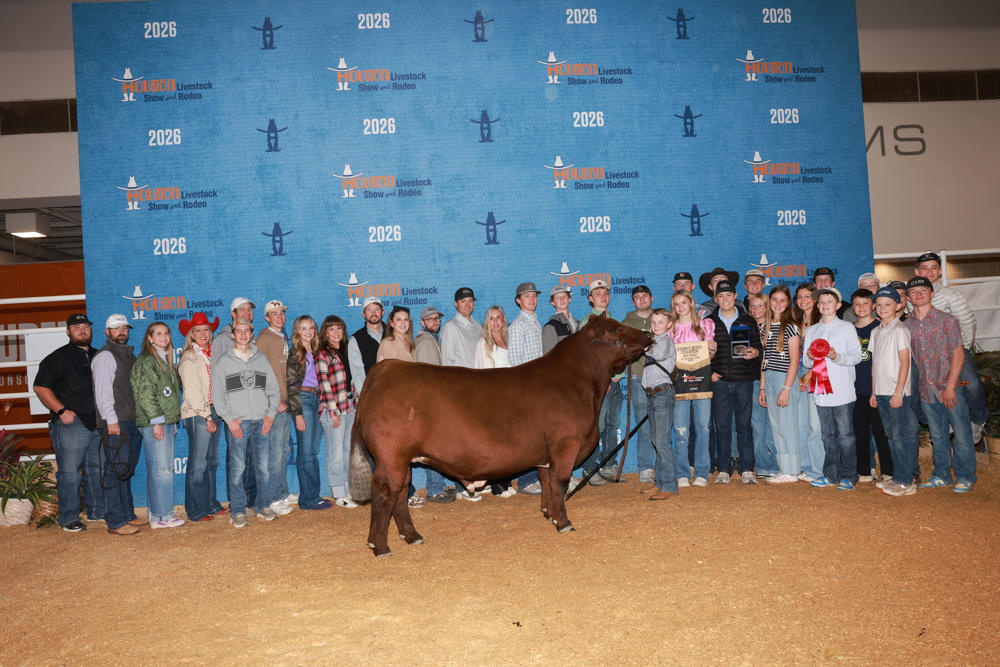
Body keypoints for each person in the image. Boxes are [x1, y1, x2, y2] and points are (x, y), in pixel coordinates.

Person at [34, 313, 104, 532]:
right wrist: (61, 410)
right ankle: (70, 517)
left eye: (85, 326)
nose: (82, 330)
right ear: (68, 331)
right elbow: (40, 387)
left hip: (96, 423)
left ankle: (96, 512)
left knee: (97, 469)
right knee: (70, 472)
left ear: (91, 330)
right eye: (76, 327)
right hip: (71, 424)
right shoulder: (57, 358)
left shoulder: (98, 355)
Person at [905, 276, 977, 492]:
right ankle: (942, 473)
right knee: (937, 435)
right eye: (914, 291)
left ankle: (965, 476)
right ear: (908, 297)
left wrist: (950, 386)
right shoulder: (907, 325)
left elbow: (958, 353)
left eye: (923, 290)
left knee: (962, 433)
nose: (918, 294)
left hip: (950, 386)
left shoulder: (947, 320)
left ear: (932, 293)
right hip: (926, 389)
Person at [913, 251, 987, 443]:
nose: (929, 272)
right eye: (924, 268)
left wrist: (963, 348)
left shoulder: (952, 296)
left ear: (939, 271)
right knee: (920, 388)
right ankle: (938, 423)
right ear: (916, 271)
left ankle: (978, 420)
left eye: (933, 268)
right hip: (928, 355)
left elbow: (968, 322)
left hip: (954, 350)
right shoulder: (914, 294)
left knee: (971, 384)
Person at [213, 318, 281, 527]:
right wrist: (229, 419)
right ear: (232, 334)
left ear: (252, 333)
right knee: (238, 468)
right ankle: (237, 510)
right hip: (238, 422)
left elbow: (274, 390)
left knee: (263, 467)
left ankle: (264, 505)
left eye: (247, 330)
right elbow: (217, 395)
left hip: (261, 420)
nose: (243, 334)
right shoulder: (224, 361)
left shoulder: (261, 359)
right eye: (238, 331)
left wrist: (270, 415)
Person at [802, 289, 863, 490]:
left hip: (842, 390)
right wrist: (811, 357)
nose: (825, 305)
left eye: (830, 301)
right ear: (817, 306)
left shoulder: (847, 328)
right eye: (821, 302)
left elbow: (857, 357)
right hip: (821, 392)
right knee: (827, 435)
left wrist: (837, 356)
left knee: (845, 435)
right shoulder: (811, 331)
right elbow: (806, 361)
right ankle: (830, 474)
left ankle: (849, 475)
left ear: (838, 305)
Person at [91, 314, 143, 535]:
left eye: (124, 328)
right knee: (115, 470)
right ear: (107, 332)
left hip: (130, 420)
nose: (122, 331)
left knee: (126, 470)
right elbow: (103, 392)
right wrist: (111, 420)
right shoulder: (105, 356)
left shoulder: (128, 356)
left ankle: (127, 514)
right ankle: (115, 520)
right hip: (116, 421)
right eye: (116, 328)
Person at [708, 281, 763, 484]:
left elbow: (758, 347)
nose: (724, 300)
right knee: (721, 426)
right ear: (715, 298)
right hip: (719, 381)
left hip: (743, 380)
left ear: (735, 296)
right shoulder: (708, 322)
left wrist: (755, 352)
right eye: (720, 296)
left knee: (744, 425)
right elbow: (702, 353)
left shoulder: (748, 320)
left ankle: (747, 468)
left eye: (728, 296)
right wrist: (709, 372)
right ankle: (723, 468)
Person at [131, 322, 184, 528]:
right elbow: (145, 394)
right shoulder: (147, 361)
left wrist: (170, 421)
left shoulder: (164, 360)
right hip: (155, 422)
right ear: (150, 338)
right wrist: (157, 422)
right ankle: (165, 514)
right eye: (158, 334)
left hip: (165, 421)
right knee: (162, 470)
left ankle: (156, 516)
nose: (164, 337)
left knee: (159, 469)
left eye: (166, 333)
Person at [177, 312, 227, 523]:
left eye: (206, 329)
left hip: (213, 411)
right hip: (199, 414)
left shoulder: (211, 355)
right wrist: (207, 417)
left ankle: (210, 503)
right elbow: (192, 391)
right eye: (198, 330)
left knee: (211, 461)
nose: (203, 333)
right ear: (191, 334)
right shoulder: (189, 358)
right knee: (198, 463)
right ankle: (196, 509)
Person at [869, 287, 919, 496]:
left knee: (900, 437)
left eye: (888, 304)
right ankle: (898, 477)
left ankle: (906, 481)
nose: (882, 308)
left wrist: (899, 392)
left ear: (899, 306)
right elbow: (874, 364)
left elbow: (905, 362)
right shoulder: (876, 331)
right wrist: (873, 392)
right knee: (891, 436)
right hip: (880, 392)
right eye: (879, 304)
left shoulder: (900, 330)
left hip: (895, 392)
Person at [212, 297, 258, 513]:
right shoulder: (222, 339)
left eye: (249, 309)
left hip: (252, 408)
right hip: (234, 408)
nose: (247, 312)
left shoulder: (252, 338)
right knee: (238, 459)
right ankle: (237, 503)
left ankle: (250, 501)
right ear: (232, 313)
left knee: (250, 457)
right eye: (242, 309)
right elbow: (218, 375)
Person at [668, 290, 717, 487]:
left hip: (702, 382)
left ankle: (702, 472)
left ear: (691, 304)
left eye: (684, 303)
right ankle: (682, 472)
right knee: (680, 429)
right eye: (676, 304)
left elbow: (710, 357)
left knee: (703, 428)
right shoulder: (670, 330)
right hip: (680, 384)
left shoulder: (705, 325)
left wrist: (712, 349)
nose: (680, 307)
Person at [440, 287, 484, 499]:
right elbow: (447, 362)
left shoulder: (477, 326)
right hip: (459, 392)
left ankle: (473, 481)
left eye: (470, 301)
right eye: (463, 301)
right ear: (456, 304)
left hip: (477, 391)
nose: (467, 304)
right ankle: (460, 486)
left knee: (474, 439)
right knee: (460, 441)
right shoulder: (450, 327)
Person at [580, 279, 624, 484]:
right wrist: (600, 380)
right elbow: (587, 355)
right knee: (597, 425)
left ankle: (608, 465)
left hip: (615, 381)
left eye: (605, 293)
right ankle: (590, 468)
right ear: (590, 298)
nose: (603, 296)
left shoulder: (611, 319)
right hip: (601, 383)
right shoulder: (589, 321)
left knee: (612, 424)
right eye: (598, 294)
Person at [286, 315, 331, 511]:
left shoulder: (318, 351)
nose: (308, 332)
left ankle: (310, 496)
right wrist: (297, 413)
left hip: (317, 399)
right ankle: (309, 499)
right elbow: (291, 384)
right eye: (303, 328)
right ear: (297, 331)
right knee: (306, 452)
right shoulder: (295, 353)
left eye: (311, 328)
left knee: (312, 451)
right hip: (303, 400)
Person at [759, 285, 802, 483]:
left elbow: (794, 361)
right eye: (774, 300)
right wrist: (762, 387)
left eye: (782, 300)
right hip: (770, 378)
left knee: (787, 425)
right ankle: (785, 468)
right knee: (776, 426)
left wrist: (786, 388)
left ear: (788, 303)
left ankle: (791, 470)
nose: (778, 304)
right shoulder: (766, 327)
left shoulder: (791, 327)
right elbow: (764, 359)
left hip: (785, 379)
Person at [316, 316, 360, 508]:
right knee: (335, 454)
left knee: (347, 450)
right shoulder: (323, 354)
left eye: (339, 328)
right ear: (325, 333)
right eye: (331, 329)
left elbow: (352, 379)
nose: (336, 333)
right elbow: (324, 384)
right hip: (332, 408)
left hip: (349, 404)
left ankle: (348, 489)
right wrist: (333, 412)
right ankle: (339, 494)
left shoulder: (346, 350)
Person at [412, 307, 455, 503]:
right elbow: (428, 377)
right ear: (422, 323)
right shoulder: (426, 342)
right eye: (430, 319)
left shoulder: (432, 340)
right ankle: (435, 489)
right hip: (431, 401)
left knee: (436, 445)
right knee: (432, 446)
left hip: (433, 400)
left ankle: (438, 486)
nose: (435, 322)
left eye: (437, 318)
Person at [255, 299, 294, 512]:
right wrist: (272, 401)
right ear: (267, 317)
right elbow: (257, 373)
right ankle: (271, 500)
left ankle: (281, 492)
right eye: (274, 313)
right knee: (275, 453)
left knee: (283, 450)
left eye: (281, 313)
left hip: (285, 403)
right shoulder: (263, 338)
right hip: (275, 404)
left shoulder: (282, 337)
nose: (279, 316)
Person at [850, 289, 892, 482]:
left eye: (865, 303)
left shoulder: (880, 327)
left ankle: (888, 471)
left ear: (873, 305)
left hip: (877, 389)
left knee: (881, 432)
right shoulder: (849, 329)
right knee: (860, 433)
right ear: (852, 307)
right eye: (857, 304)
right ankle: (864, 471)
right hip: (855, 390)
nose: (861, 308)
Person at [507, 282, 544, 495]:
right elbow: (514, 359)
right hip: (528, 387)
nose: (531, 299)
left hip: (539, 386)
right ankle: (525, 480)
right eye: (526, 296)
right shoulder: (518, 325)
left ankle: (534, 477)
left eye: (533, 295)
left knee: (538, 435)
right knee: (529, 435)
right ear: (518, 301)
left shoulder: (535, 322)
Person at [643, 308, 678, 500]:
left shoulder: (664, 341)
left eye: (660, 322)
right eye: (653, 322)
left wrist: (644, 343)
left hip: (663, 393)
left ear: (669, 324)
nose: (656, 326)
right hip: (652, 395)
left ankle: (670, 486)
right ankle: (659, 483)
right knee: (657, 441)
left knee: (663, 442)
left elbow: (657, 354)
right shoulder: (654, 341)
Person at [622, 285, 656, 485]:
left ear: (651, 298)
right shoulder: (627, 323)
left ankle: (662, 464)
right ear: (633, 302)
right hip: (638, 376)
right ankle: (645, 466)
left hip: (661, 378)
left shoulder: (662, 317)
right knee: (643, 423)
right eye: (637, 297)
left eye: (645, 296)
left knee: (661, 423)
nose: (642, 300)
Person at [792, 283, 825, 483]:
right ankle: (805, 466)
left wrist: (809, 375)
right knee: (801, 423)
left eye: (807, 296)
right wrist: (797, 375)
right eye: (800, 297)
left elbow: (824, 355)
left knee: (815, 424)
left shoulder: (822, 322)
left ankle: (818, 469)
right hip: (797, 373)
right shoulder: (795, 321)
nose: (803, 301)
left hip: (818, 373)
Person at [747, 293, 778, 477]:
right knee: (758, 425)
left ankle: (776, 464)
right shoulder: (748, 329)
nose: (756, 310)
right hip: (753, 380)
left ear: (767, 307)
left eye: (760, 306)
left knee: (773, 425)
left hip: (771, 380)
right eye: (752, 306)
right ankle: (762, 465)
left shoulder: (773, 329)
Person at [347, 297, 384, 394]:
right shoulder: (356, 340)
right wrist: (365, 397)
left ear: (382, 312)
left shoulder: (394, 334)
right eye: (369, 310)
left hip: (396, 393)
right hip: (372, 394)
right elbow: (358, 374)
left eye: (377, 309)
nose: (374, 313)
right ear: (363, 314)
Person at [541, 285, 578, 354]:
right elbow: (549, 356)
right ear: (553, 303)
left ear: (569, 299)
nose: (561, 299)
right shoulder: (550, 327)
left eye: (564, 296)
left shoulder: (578, 323)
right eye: (558, 298)